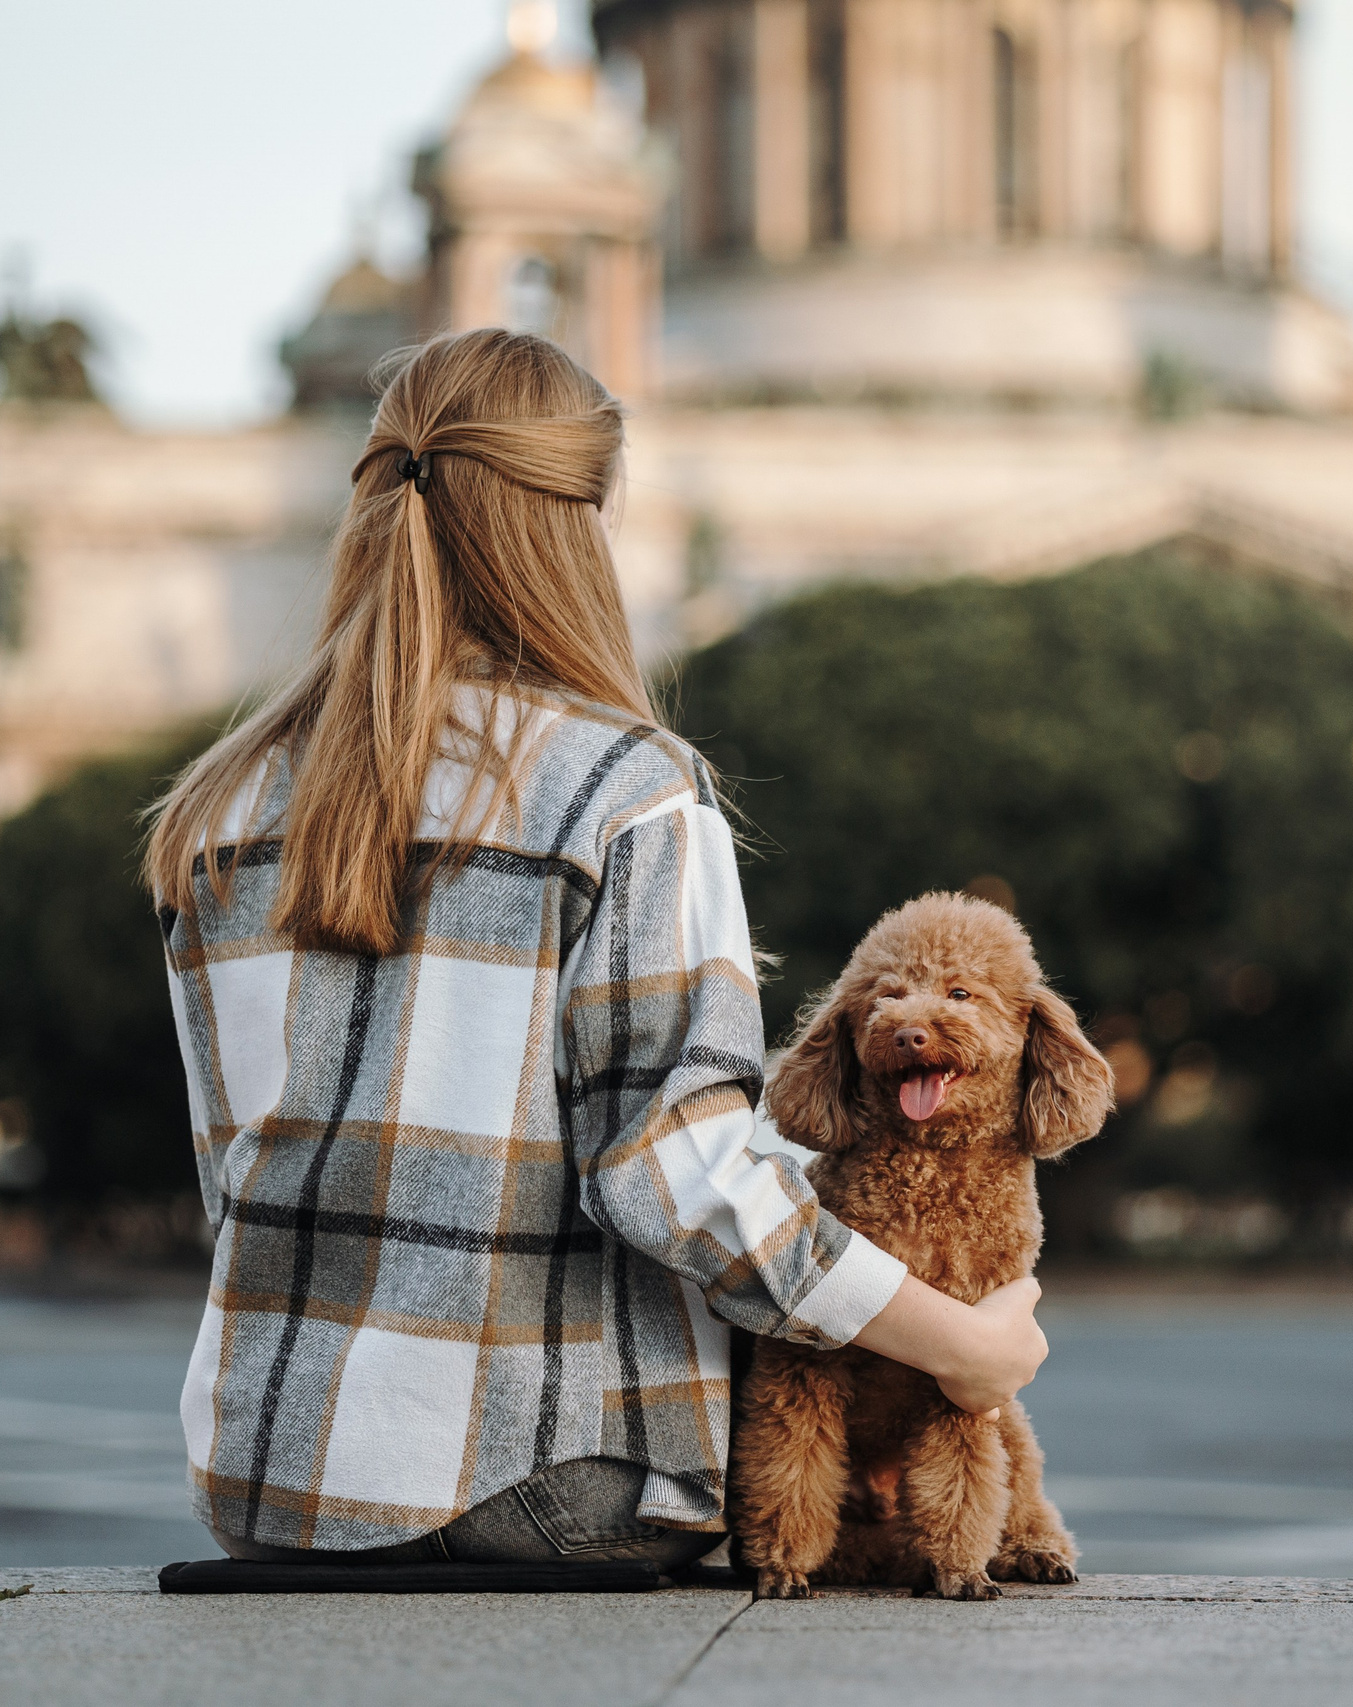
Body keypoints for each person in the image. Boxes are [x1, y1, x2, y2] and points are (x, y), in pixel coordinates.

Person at [145, 328, 1047, 1569]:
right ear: (580, 521)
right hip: (553, 1482)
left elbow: (234, 1168)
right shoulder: (625, 789)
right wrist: (956, 1341)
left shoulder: (220, 807)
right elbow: (678, 1174)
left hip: (273, 1480)